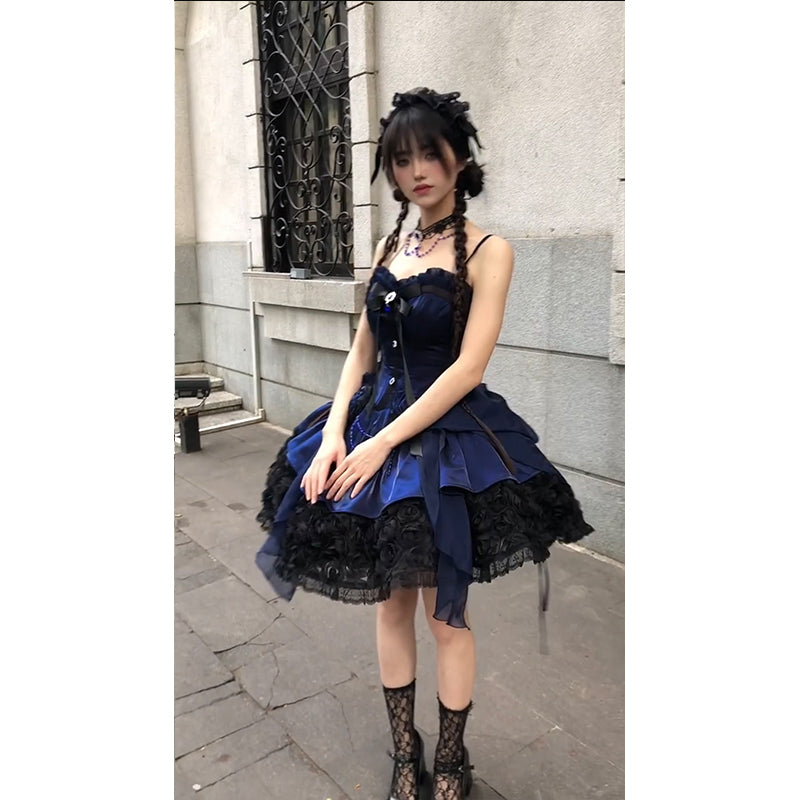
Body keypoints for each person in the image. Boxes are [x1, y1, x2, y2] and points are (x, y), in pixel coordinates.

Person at [255, 87, 593, 800]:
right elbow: (361, 351)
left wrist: (380, 445)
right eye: (401, 159)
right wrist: (335, 434)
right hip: (373, 427)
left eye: (429, 155)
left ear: (458, 158)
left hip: (445, 443)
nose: (416, 171)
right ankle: (405, 754)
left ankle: (451, 760)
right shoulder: (389, 247)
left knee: (446, 614)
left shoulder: (491, 251)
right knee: (391, 604)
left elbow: (468, 369)